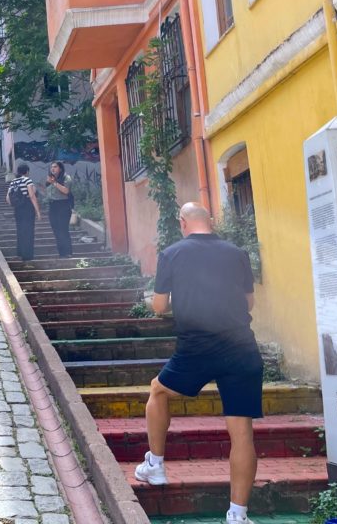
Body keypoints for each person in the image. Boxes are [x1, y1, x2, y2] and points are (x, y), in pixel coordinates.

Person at [134, 202, 261, 524]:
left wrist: (161, 298)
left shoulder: (172, 254)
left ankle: (156, 465)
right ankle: (238, 515)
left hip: (197, 346)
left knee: (158, 391)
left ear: (183, 222)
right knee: (242, 432)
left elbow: (160, 306)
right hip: (241, 346)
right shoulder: (237, 253)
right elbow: (249, 302)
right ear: (211, 222)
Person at [6, 163, 41, 260]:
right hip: (27, 208)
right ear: (27, 171)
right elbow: (32, 196)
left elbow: (8, 198)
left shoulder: (13, 181)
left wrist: (16, 204)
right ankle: (28, 255)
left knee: (20, 231)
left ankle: (20, 253)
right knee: (28, 231)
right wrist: (37, 211)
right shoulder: (27, 180)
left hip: (18, 209)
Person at [44, 161, 74, 258]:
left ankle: (68, 252)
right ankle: (61, 253)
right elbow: (48, 192)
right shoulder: (50, 179)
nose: (52, 169)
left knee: (63, 229)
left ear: (60, 168)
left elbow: (66, 191)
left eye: (55, 167)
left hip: (63, 205)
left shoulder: (66, 177)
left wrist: (54, 183)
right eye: (51, 167)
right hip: (53, 206)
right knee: (56, 230)